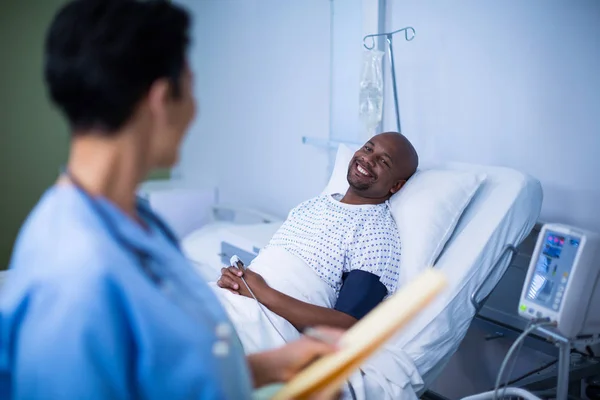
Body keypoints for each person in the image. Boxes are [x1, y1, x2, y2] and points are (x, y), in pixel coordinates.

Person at [0, 1, 342, 399]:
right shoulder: (75, 273)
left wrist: (275, 365)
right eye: (192, 88)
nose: (195, 111)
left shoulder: (132, 218)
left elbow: (162, 375)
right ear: (161, 99)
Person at [214, 132, 418, 353]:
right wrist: (236, 278)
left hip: (268, 325)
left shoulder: (377, 234)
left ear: (396, 186)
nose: (368, 159)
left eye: (383, 161)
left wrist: (260, 291)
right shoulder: (313, 205)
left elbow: (348, 325)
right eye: (368, 149)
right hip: (234, 301)